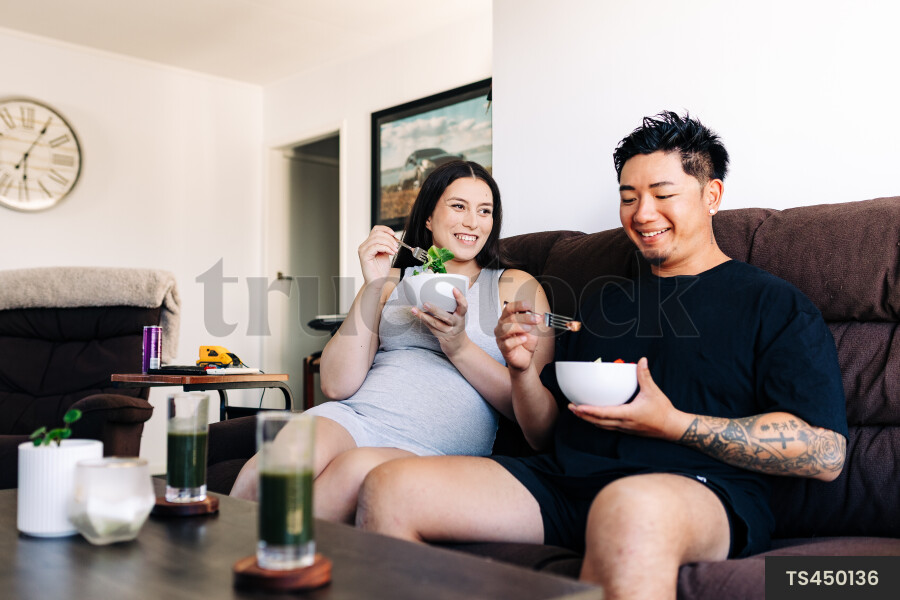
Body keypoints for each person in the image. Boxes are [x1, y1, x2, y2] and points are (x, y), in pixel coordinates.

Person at [354, 112, 848, 600]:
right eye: (628, 197)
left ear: (711, 195)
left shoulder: (770, 303)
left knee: (628, 507)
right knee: (389, 488)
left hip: (696, 487)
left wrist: (673, 423)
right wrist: (524, 371)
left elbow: (826, 453)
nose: (642, 213)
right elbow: (544, 433)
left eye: (663, 194)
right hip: (567, 482)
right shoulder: (603, 302)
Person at [230, 160, 554, 524]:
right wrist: (373, 284)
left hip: (431, 445)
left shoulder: (514, 285)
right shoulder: (391, 281)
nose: (472, 222)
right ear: (429, 217)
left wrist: (458, 345)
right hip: (355, 415)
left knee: (351, 473)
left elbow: (535, 419)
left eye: (485, 211)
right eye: (459, 206)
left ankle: (269, 566)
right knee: (278, 461)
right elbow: (336, 384)